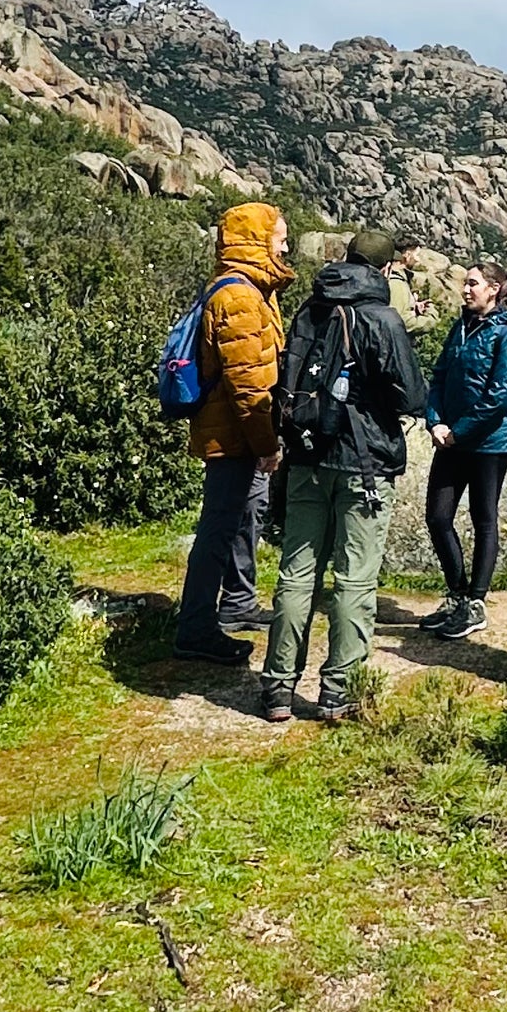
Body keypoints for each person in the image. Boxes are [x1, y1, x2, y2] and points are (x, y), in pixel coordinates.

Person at [260, 227, 427, 723]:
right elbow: (411, 395)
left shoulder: (309, 309)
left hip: (307, 456)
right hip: (363, 462)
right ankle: (339, 692)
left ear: (346, 258)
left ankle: (277, 689)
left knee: (296, 574)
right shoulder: (382, 317)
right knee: (354, 580)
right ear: (385, 269)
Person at [173, 201, 292, 665]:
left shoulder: (252, 288)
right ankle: (196, 628)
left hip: (239, 434)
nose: (285, 244)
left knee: (242, 519)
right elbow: (249, 385)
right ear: (257, 241)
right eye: (279, 237)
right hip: (235, 438)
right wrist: (267, 446)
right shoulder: (239, 297)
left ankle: (237, 603)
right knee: (218, 528)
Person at [421, 264, 507, 640]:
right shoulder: (461, 328)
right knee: (438, 517)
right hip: (450, 438)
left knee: (484, 517)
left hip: (490, 443)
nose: (465, 290)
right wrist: (434, 420)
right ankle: (456, 594)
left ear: (494, 289)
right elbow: (437, 378)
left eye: (472, 283)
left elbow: (500, 397)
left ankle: (476, 602)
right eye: (465, 283)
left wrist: (459, 432)